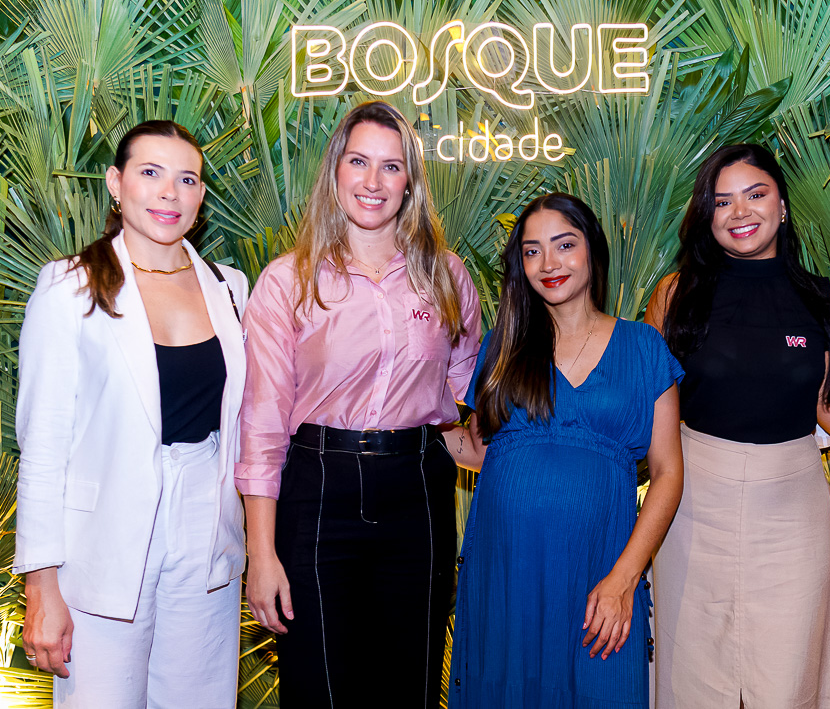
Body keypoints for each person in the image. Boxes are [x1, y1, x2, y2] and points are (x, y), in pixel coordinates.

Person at [238, 100, 480, 708]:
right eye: (359, 162)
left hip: (416, 491)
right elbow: (263, 425)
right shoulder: (287, 281)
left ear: (410, 182)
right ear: (335, 171)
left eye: (391, 167)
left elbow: (464, 384)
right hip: (317, 489)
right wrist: (261, 554)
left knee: (410, 685)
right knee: (317, 688)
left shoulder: (448, 278)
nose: (374, 182)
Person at [15, 120, 248, 707]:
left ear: (201, 196)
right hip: (102, 541)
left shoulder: (229, 288)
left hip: (207, 532)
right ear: (117, 184)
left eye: (187, 179)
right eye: (151, 173)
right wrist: (41, 586)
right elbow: (43, 446)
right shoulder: (69, 287)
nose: (170, 192)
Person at [444, 192, 684, 708]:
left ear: (592, 249)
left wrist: (624, 579)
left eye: (564, 245)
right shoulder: (502, 346)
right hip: (508, 570)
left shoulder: (645, 347)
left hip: (601, 570)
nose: (548, 263)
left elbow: (668, 473)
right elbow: (480, 450)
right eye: (532, 251)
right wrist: (409, 426)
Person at [645, 143, 830, 707]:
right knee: (689, 678)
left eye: (755, 194)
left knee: (790, 678)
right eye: (722, 201)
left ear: (782, 205)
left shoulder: (823, 298)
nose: (740, 212)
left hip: (793, 505)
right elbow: (644, 410)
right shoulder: (674, 294)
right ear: (706, 216)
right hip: (691, 502)